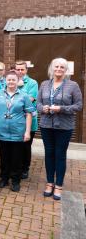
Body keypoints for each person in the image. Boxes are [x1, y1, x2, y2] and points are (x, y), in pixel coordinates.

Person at [37, 57, 83, 200]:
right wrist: (42, 108)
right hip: (46, 125)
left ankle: (59, 185)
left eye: (62, 67)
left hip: (64, 127)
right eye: (56, 66)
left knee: (60, 155)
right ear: (52, 68)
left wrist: (61, 108)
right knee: (49, 154)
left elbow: (78, 106)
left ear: (65, 70)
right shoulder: (44, 84)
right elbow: (37, 103)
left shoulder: (73, 85)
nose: (58, 69)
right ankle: (50, 182)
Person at [0, 71, 33, 192]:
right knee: (4, 157)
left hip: (18, 131)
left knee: (16, 158)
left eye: (13, 80)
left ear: (18, 80)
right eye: (9, 79)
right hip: (1, 131)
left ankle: (15, 181)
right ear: (5, 80)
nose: (11, 82)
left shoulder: (23, 95)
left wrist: (27, 132)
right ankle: (4, 178)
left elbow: (29, 114)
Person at [14, 60, 38, 179]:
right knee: (16, 146)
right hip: (15, 121)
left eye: (22, 69)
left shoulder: (32, 83)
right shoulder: (11, 81)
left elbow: (30, 100)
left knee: (26, 146)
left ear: (26, 70)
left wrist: (19, 89)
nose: (19, 72)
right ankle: (17, 166)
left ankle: (25, 168)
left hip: (29, 121)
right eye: (17, 69)